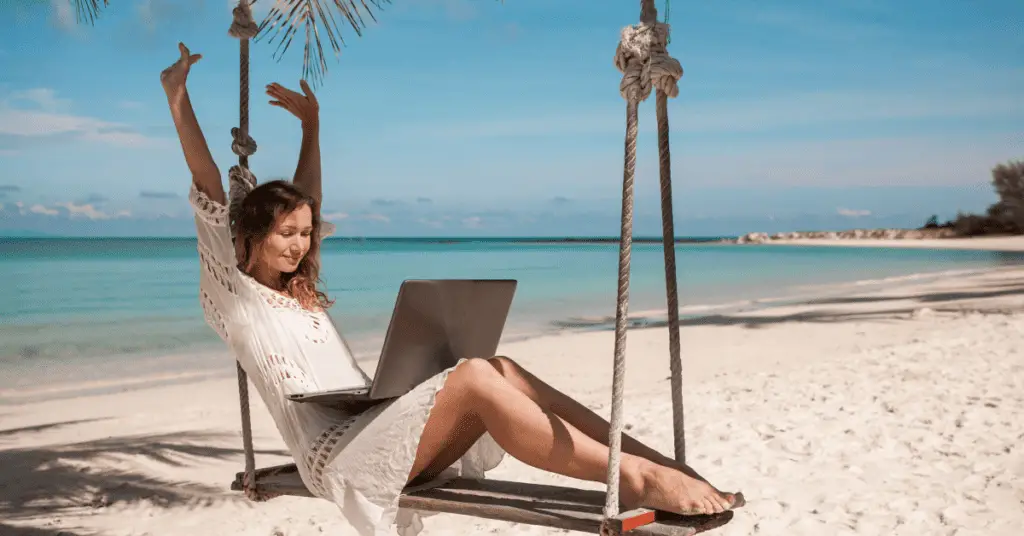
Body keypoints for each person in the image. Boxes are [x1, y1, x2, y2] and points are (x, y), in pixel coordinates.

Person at [161, 42, 742, 536]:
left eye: (306, 235)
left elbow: (308, 198)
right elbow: (208, 181)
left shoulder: (303, 290)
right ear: (252, 233)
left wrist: (313, 128)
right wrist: (178, 97)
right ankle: (636, 479)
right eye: (285, 234)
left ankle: (656, 463)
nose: (298, 245)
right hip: (334, 455)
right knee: (472, 376)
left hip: (375, 425)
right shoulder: (233, 295)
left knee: (501, 366)